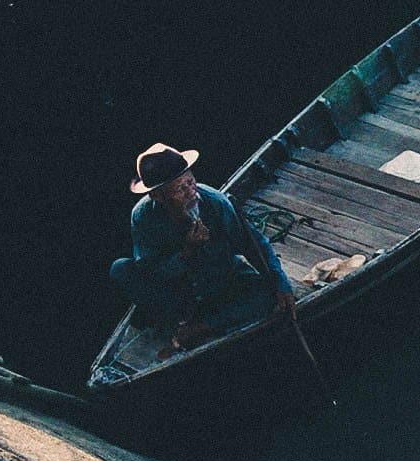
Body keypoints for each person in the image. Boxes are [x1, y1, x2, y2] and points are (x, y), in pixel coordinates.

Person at [110, 143, 295, 354]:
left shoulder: (215, 202)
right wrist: (186, 252)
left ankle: (202, 326)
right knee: (120, 269)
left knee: (267, 294)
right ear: (157, 196)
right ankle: (180, 320)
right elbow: (150, 268)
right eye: (180, 189)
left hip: (219, 280)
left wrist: (280, 283)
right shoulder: (143, 217)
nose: (191, 192)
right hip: (178, 291)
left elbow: (252, 243)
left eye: (190, 182)